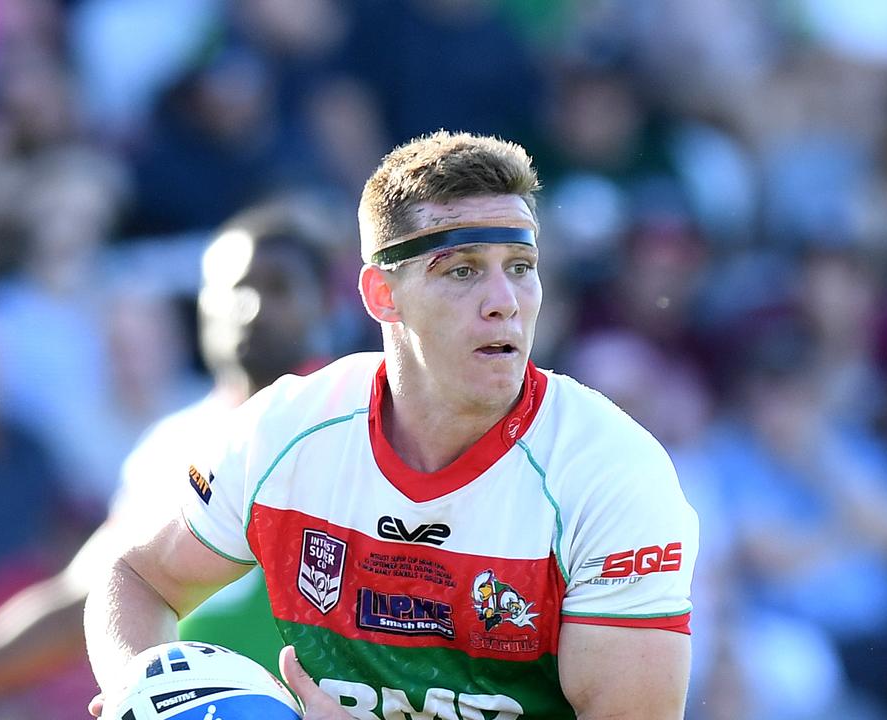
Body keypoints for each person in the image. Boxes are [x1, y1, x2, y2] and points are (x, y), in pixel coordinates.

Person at [83, 131, 699, 719]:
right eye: (462, 270)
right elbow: (132, 575)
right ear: (381, 295)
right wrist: (141, 691)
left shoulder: (611, 474)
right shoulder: (287, 430)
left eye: (520, 266)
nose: (504, 301)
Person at [0, 200, 334, 720]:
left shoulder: (355, 428)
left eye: (278, 288)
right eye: (233, 288)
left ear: (327, 304)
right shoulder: (175, 443)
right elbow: (88, 593)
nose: (249, 308)